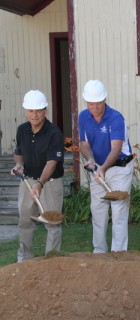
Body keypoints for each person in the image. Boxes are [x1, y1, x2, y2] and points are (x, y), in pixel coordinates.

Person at [79, 80, 134, 253]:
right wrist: (90, 159)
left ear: (105, 100)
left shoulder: (115, 118)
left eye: (98, 103)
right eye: (91, 103)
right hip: (98, 167)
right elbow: (84, 143)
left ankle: (118, 253)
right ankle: (99, 251)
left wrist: (103, 169)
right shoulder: (83, 116)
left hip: (119, 168)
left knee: (118, 210)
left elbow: (116, 148)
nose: (94, 107)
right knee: (98, 209)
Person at [10, 90, 64, 262]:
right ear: (26, 111)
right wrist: (19, 164)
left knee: (52, 223)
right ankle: (24, 259)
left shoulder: (54, 133)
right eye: (31, 110)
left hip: (50, 182)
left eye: (38, 110)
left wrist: (40, 183)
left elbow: (52, 162)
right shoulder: (22, 130)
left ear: (45, 111)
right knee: (25, 221)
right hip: (27, 181)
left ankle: (51, 261)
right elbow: (19, 152)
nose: (34, 114)